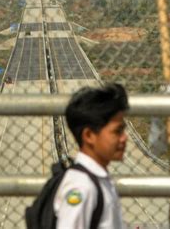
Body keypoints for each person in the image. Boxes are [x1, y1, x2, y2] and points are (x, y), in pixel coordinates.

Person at [54, 83, 128, 228]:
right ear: (89, 136)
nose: (124, 138)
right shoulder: (81, 187)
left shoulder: (96, 180)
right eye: (117, 131)